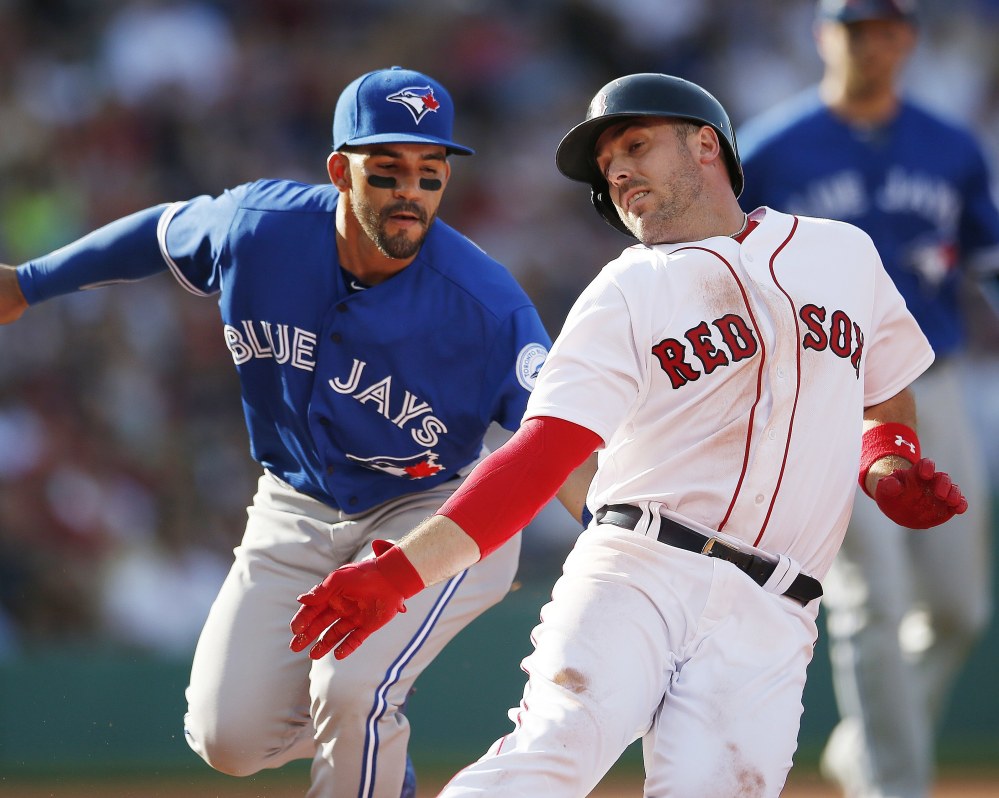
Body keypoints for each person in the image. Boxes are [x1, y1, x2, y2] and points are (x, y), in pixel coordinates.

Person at [285, 72, 970, 797]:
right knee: (549, 756)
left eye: (635, 145)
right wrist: (397, 572)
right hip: (641, 569)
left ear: (706, 144)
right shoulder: (625, 290)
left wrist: (886, 458)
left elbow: (885, 389)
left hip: (776, 607)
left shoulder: (842, 254)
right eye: (604, 166)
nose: (615, 170)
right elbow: (538, 457)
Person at [0, 66, 592, 798]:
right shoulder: (258, 229)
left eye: (429, 174)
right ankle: (366, 724)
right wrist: (29, 283)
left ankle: (366, 724)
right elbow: (155, 235)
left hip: (434, 514)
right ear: (340, 171)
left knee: (353, 688)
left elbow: (558, 444)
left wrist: (622, 541)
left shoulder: (487, 305)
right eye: (387, 171)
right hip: (294, 503)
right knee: (228, 740)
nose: (410, 191)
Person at [737, 2, 999, 794]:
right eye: (855, 27)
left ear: (907, 39)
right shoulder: (770, 150)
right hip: (828, 394)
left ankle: (866, 749)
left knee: (957, 610)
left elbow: (985, 258)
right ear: (825, 37)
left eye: (885, 27)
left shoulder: (950, 146)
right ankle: (894, 785)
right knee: (871, 604)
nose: (871, 43)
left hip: (933, 380)